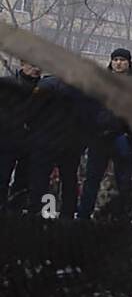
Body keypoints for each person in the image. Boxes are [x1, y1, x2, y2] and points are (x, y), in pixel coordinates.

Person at [77, 48, 132, 219]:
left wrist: (131, 133)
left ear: (129, 62)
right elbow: (89, 107)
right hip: (99, 137)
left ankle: (122, 218)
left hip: (122, 137)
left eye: (122, 60)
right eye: (115, 60)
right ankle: (83, 215)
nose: (118, 63)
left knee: (124, 182)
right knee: (92, 179)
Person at [27, 74, 94, 218]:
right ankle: (67, 215)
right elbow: (87, 119)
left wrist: (36, 133)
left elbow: (32, 112)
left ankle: (37, 212)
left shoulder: (46, 85)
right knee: (69, 180)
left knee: (40, 179)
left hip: (46, 140)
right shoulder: (84, 90)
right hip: (71, 143)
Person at [1, 61, 40, 211]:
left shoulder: (45, 87)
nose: (36, 68)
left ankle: (15, 212)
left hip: (31, 142)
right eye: (32, 65)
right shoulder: (8, 84)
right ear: (23, 64)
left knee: (23, 183)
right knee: (2, 177)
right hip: (7, 140)